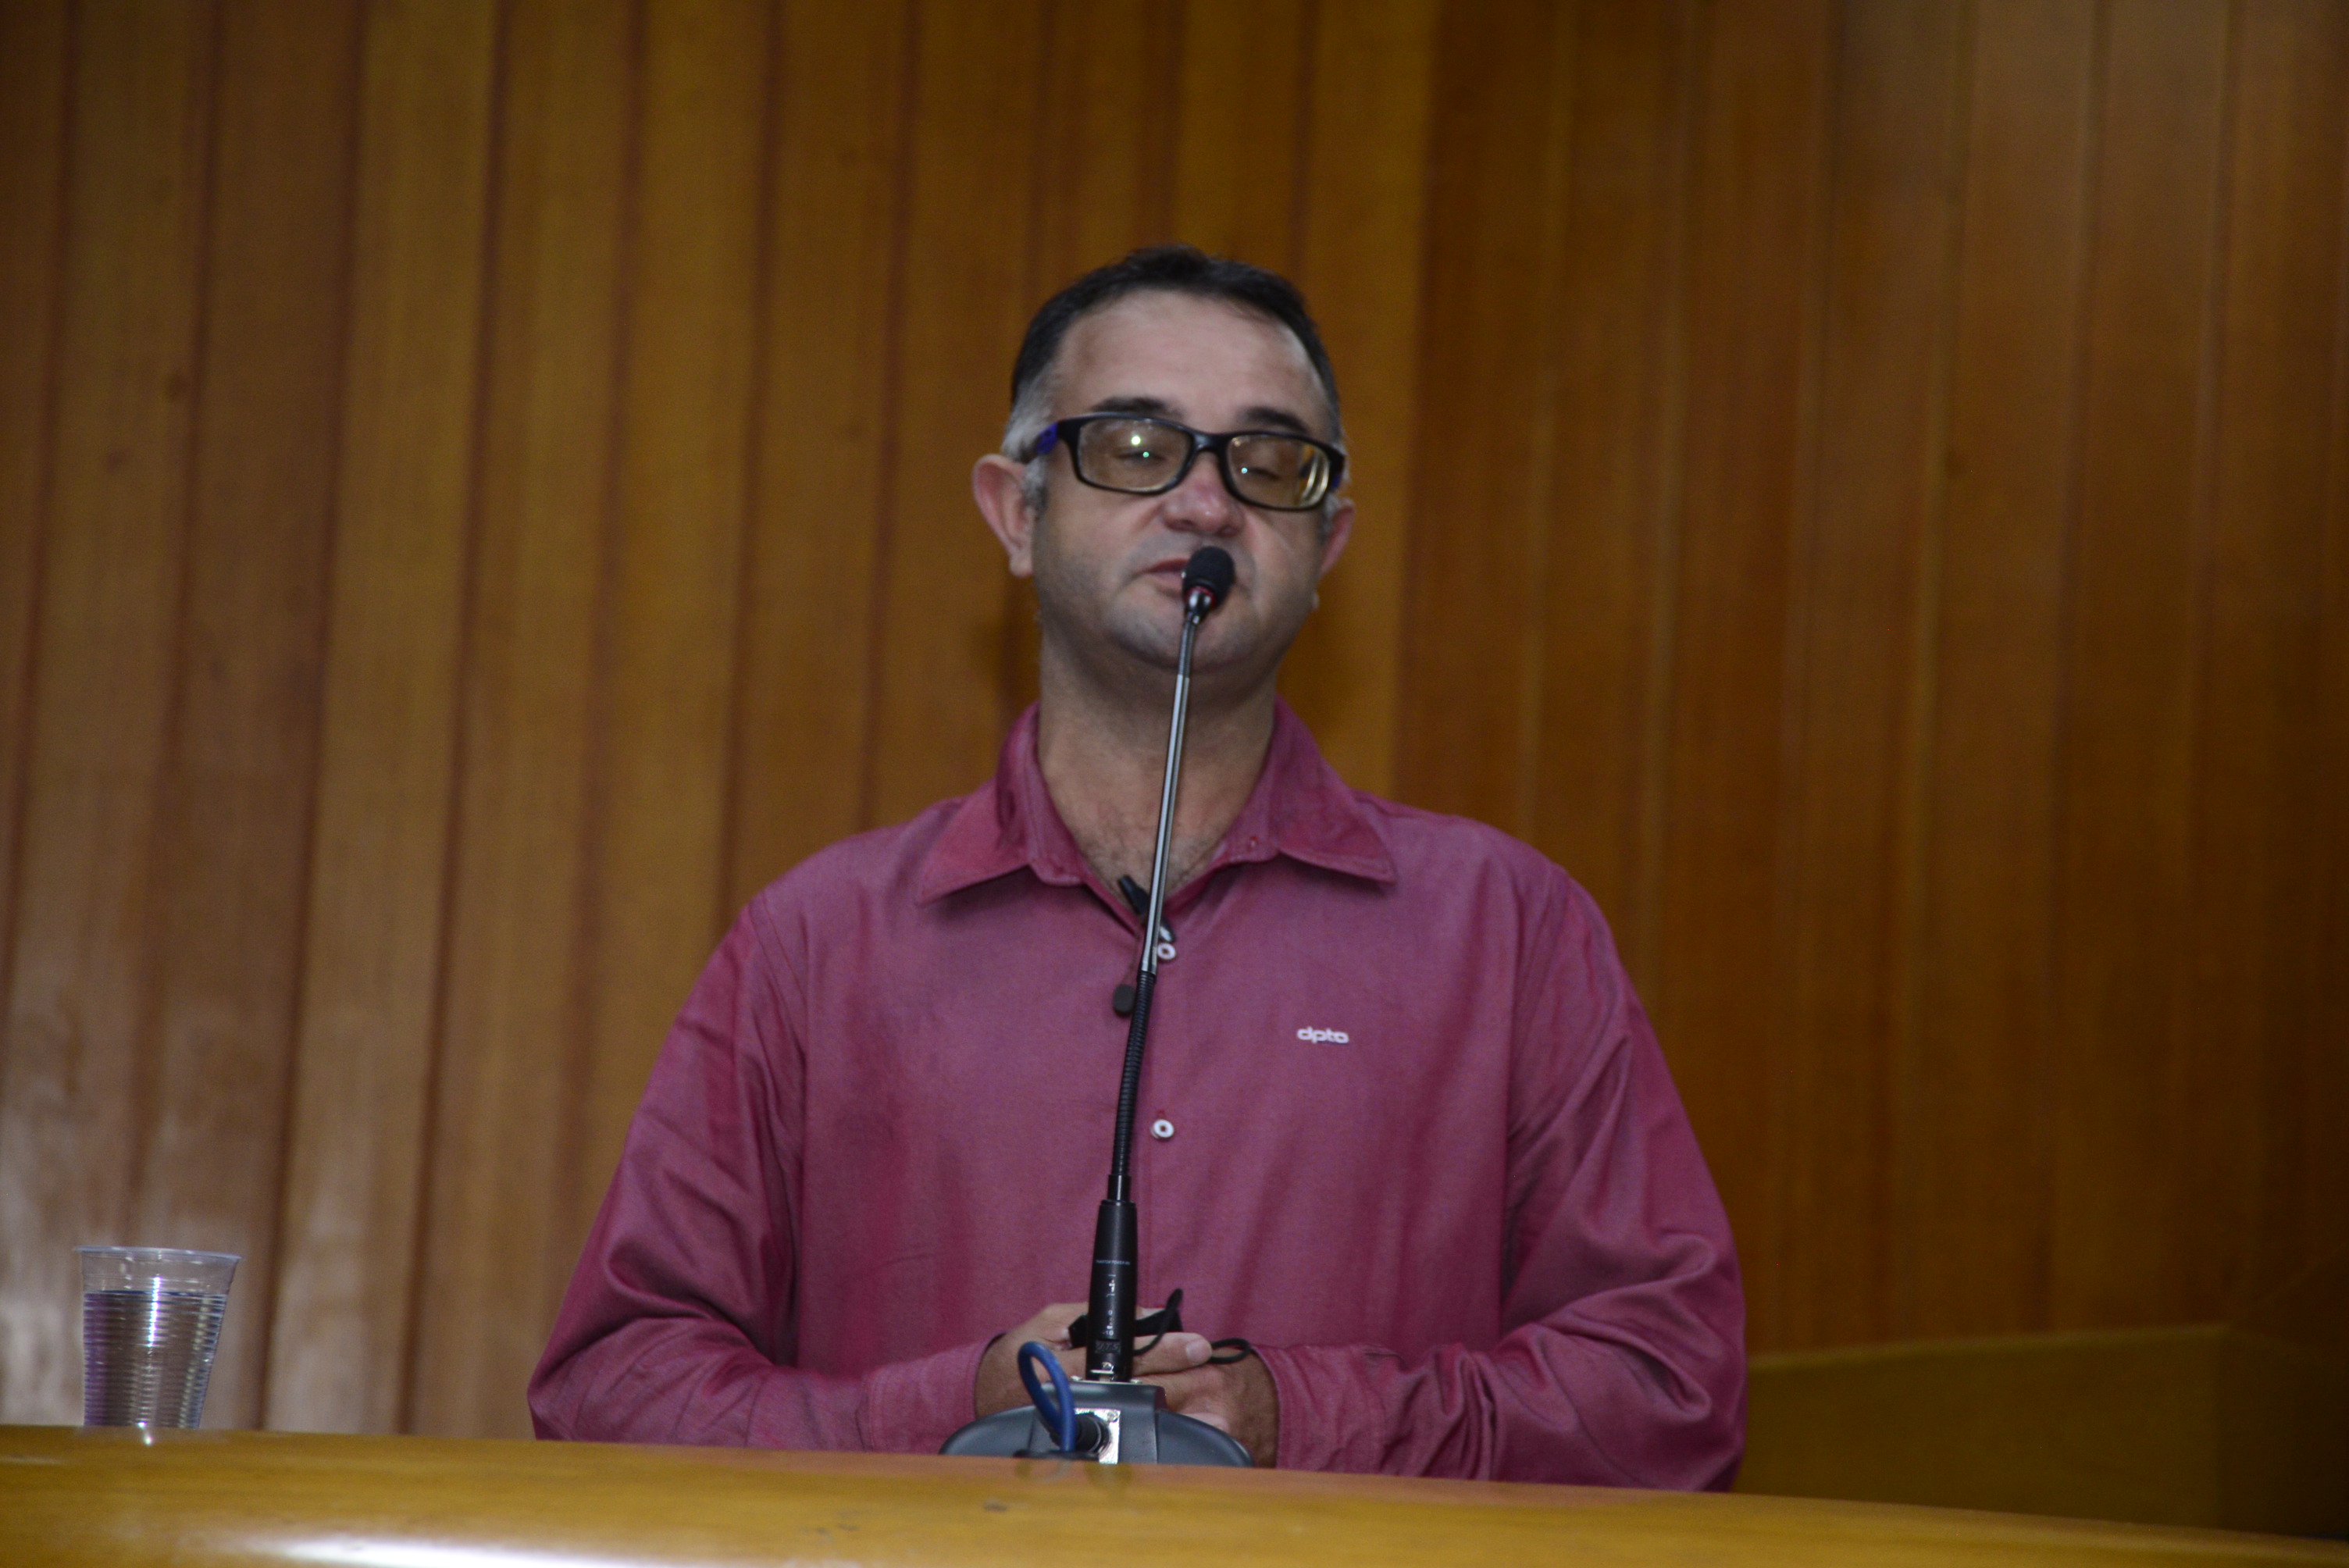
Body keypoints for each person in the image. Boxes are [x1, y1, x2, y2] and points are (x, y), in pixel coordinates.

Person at [529, 246, 1744, 1484]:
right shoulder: (819, 941)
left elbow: (1671, 1392)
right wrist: (960, 1414)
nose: (1206, 505)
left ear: (1327, 544)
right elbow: (614, 1392)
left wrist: (1297, 1420)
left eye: (1267, 463)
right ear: (1017, 511)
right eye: (1135, 446)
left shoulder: (1506, 929)